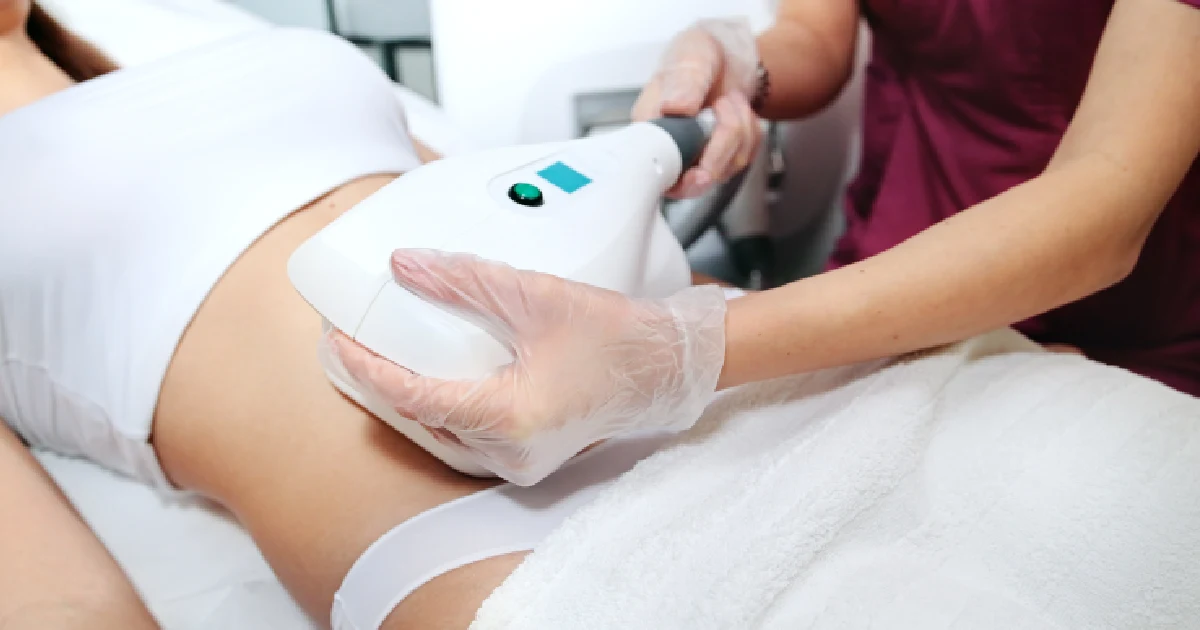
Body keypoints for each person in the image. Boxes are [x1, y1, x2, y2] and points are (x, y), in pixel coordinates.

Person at [0, 3, 678, 629]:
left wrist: (715, 329)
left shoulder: (245, 61)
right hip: (493, 544)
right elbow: (58, 603)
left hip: (698, 393)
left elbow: (544, 224)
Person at [333, 0, 1200, 483]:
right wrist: (740, 59)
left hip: (1131, 326)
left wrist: (685, 353)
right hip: (882, 282)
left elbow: (1106, 203)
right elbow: (821, 41)